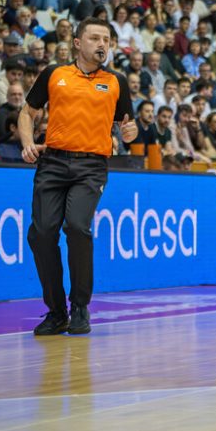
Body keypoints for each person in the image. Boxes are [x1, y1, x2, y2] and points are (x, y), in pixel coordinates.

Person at [19, 18, 137, 336]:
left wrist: (130, 130)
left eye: (107, 40)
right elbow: (27, 113)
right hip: (53, 163)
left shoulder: (117, 82)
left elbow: (129, 124)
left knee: (77, 226)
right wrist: (28, 142)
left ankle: (80, 305)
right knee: (41, 234)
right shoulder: (55, 74)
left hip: (91, 166)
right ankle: (56, 311)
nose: (102, 45)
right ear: (77, 42)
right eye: (95, 38)